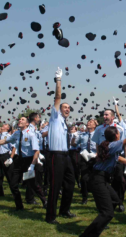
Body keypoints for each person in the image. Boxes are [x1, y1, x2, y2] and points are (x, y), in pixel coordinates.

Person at [80, 124, 126, 237]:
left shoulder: (108, 145)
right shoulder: (113, 145)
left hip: (101, 179)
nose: (120, 135)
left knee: (116, 200)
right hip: (98, 179)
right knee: (107, 213)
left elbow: (118, 158)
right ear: (116, 135)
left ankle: (103, 212)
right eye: (119, 133)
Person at [0, 116, 46, 210]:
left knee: (33, 184)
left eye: (22, 120)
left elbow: (36, 151)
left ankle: (45, 201)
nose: (20, 120)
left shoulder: (31, 134)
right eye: (19, 119)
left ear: (27, 123)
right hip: (19, 161)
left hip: (29, 161)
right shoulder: (16, 133)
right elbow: (5, 140)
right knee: (13, 184)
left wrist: (32, 165)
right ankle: (19, 206)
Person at [45, 67, 76, 224]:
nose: (67, 109)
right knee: (55, 186)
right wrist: (58, 80)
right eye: (65, 107)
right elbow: (57, 97)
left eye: (69, 108)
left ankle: (64, 209)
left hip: (66, 156)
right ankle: (50, 216)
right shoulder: (55, 117)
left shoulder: (64, 123)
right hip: (56, 155)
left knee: (70, 183)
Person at [92, 108, 126, 212]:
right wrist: (98, 154)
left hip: (117, 158)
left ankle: (119, 202)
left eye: (107, 115)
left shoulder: (119, 129)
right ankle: (106, 203)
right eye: (104, 115)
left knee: (119, 180)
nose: (104, 117)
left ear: (113, 117)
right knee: (105, 182)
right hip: (104, 159)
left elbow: (123, 143)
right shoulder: (98, 129)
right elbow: (97, 143)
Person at [74, 119, 98, 204]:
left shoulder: (97, 135)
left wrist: (97, 154)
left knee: (95, 179)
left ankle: (97, 196)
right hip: (84, 158)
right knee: (84, 178)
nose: (88, 123)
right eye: (88, 122)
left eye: (91, 122)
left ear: (95, 125)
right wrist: (74, 136)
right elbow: (74, 144)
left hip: (94, 158)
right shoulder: (82, 135)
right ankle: (84, 197)